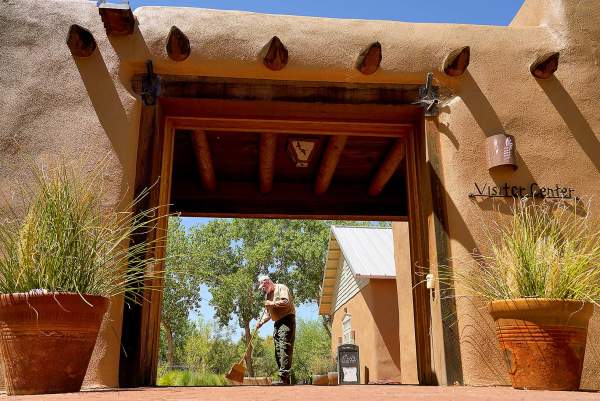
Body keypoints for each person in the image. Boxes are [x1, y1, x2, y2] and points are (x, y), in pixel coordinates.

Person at [255, 274, 296, 385]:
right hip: (277, 323)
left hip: (287, 320)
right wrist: (261, 322)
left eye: (263, 287)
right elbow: (268, 314)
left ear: (267, 282)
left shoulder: (281, 288)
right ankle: (284, 379)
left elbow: (286, 302)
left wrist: (272, 303)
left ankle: (284, 377)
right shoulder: (267, 296)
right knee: (278, 350)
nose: (263, 289)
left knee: (284, 347)